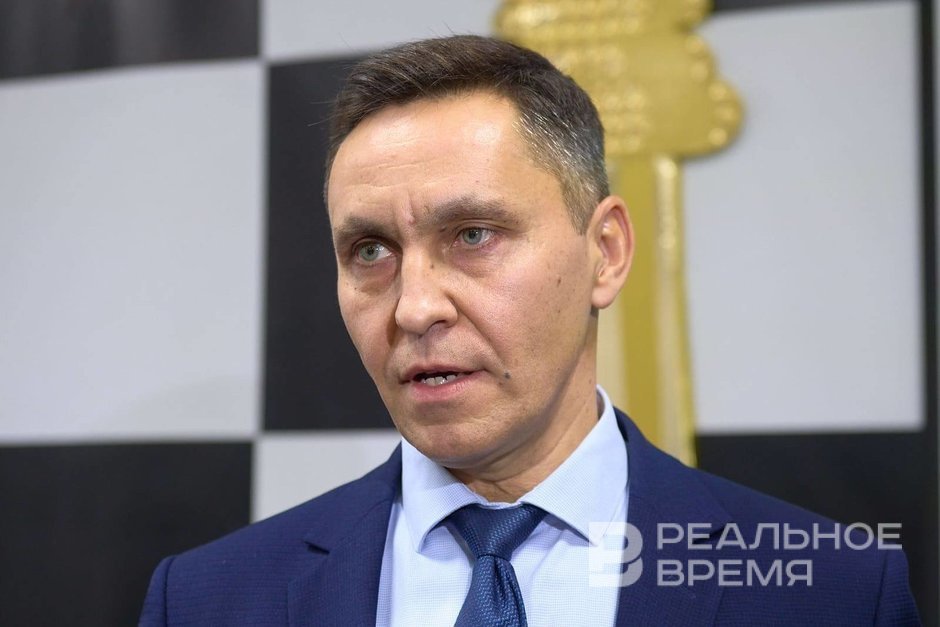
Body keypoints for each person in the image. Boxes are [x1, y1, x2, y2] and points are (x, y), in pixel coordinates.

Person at [140, 35, 920, 626]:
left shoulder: (836, 591)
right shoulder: (207, 600)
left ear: (605, 252)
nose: (415, 307)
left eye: (473, 235)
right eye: (371, 250)